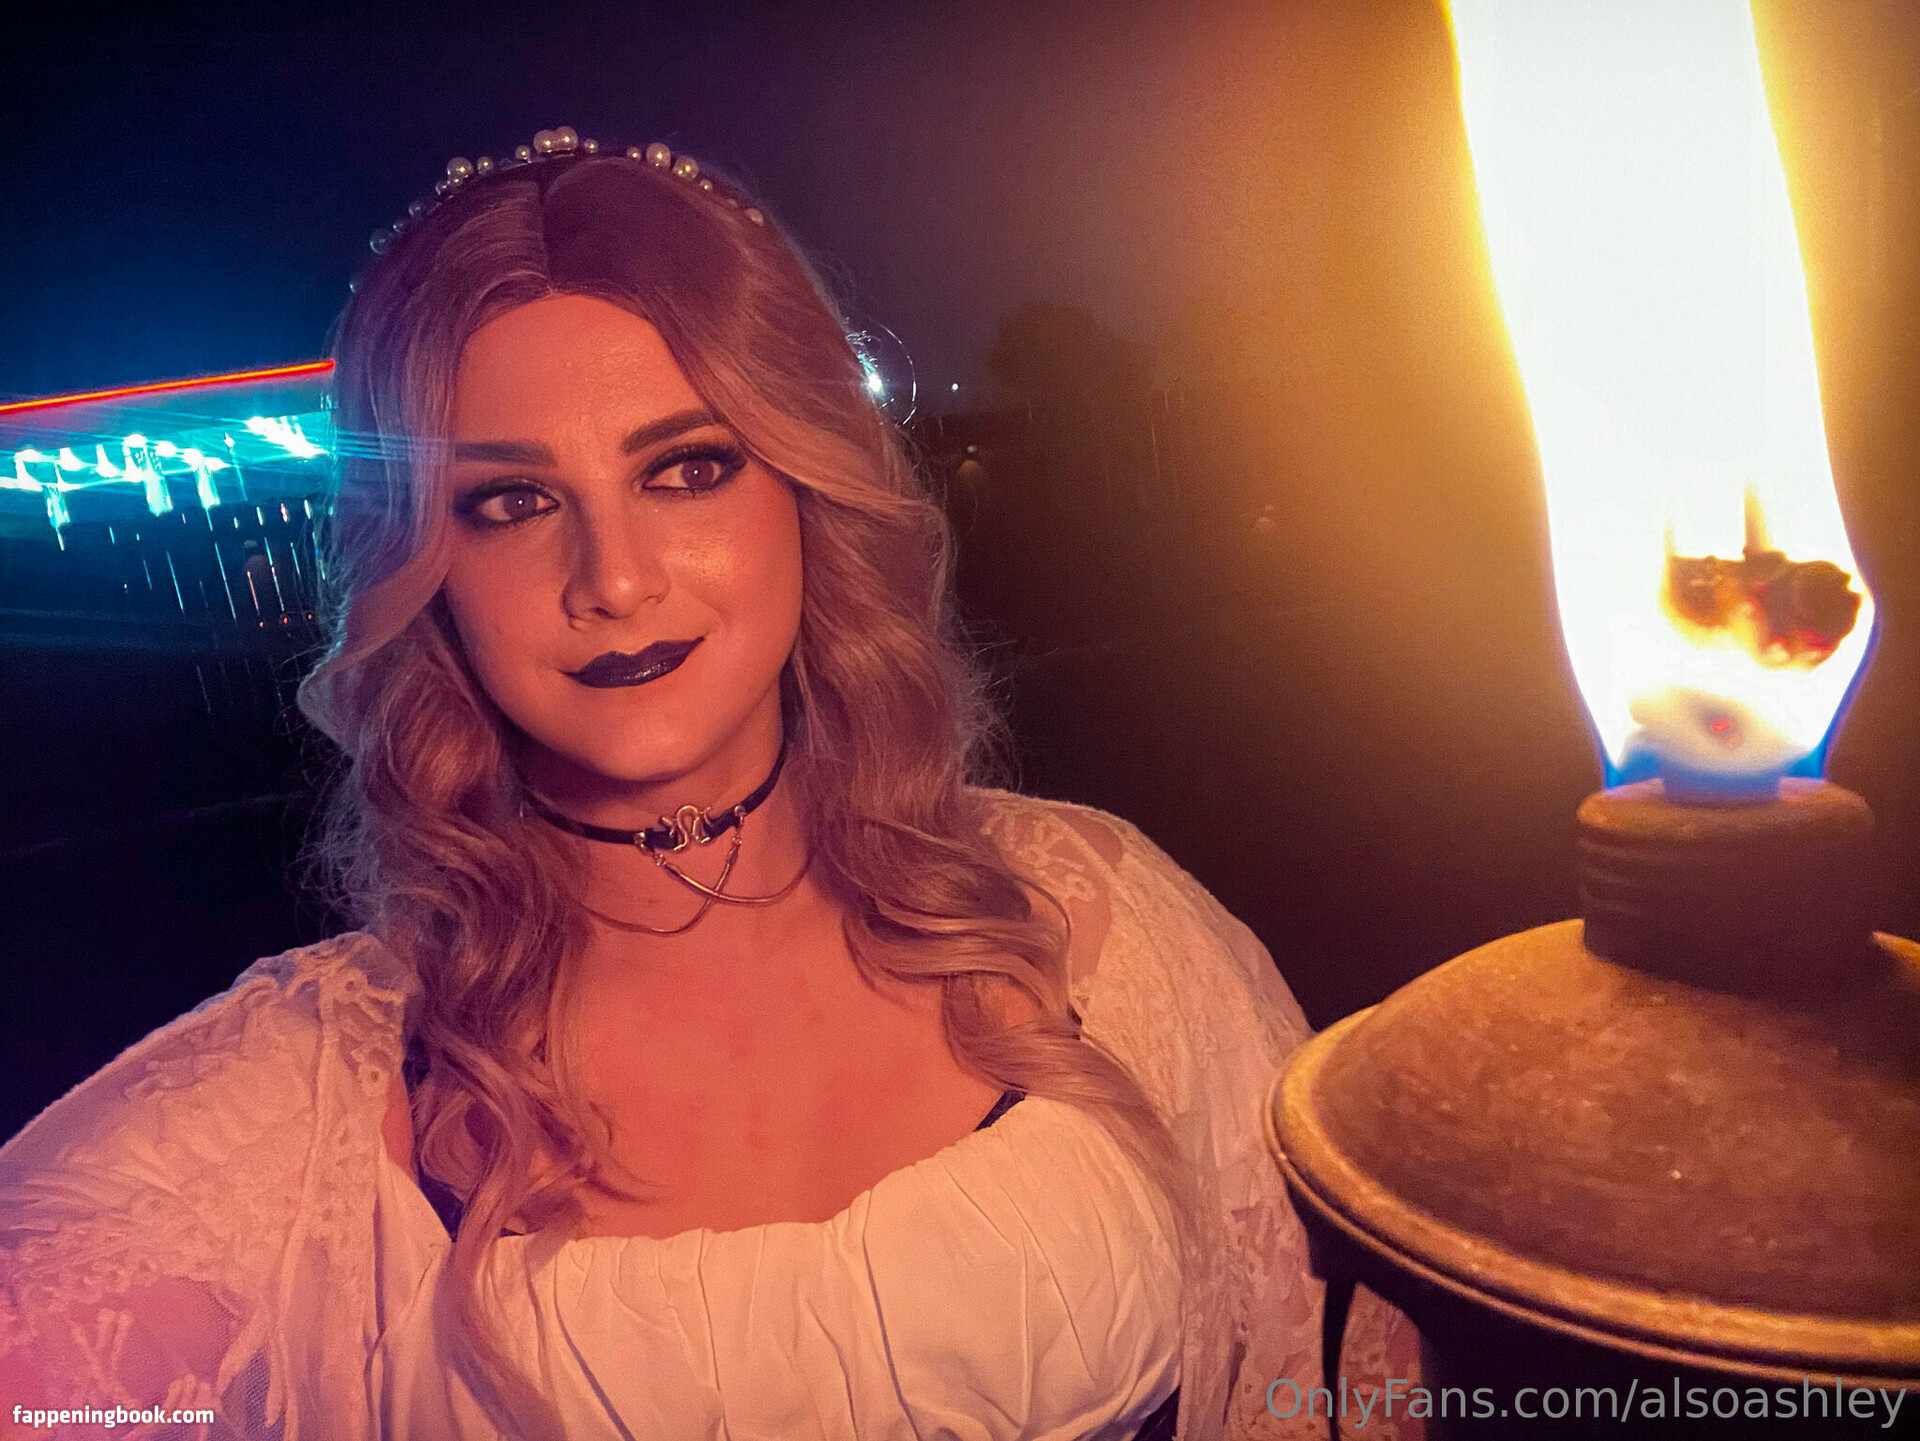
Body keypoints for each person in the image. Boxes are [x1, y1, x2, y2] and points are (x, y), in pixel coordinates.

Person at [0, 129, 1416, 1440]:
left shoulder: (1097, 922)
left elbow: (1330, 1369)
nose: (613, 581)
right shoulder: (314, 1105)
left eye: (685, 469)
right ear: (427, 567)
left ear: (805, 484)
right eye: (512, 501)